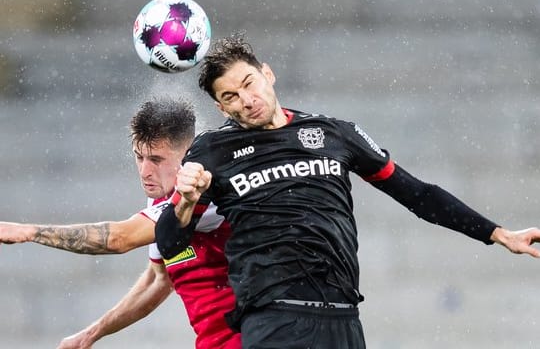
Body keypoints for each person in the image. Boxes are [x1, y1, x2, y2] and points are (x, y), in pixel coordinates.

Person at [154, 34, 540, 349]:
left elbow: (418, 195)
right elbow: (170, 241)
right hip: (273, 317)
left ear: (267, 74)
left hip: (343, 317)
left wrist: (496, 233)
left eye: (248, 84)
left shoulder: (333, 134)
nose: (246, 100)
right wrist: (186, 200)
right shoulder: (211, 150)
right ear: (222, 108)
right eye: (230, 97)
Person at [0, 97, 240, 349]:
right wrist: (90, 335)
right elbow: (157, 281)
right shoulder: (163, 196)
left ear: (189, 151)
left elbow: (119, 238)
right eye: (139, 157)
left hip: (250, 337)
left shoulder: (205, 192)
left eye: (156, 160)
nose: (145, 171)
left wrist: (28, 231)